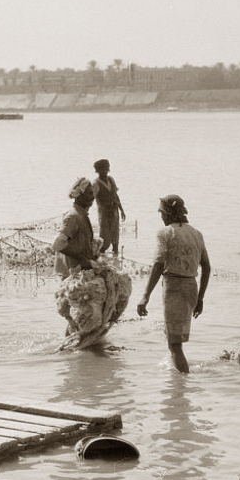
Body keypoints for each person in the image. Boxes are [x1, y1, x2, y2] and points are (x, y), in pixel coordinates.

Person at [136, 195, 211, 373]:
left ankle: (181, 389)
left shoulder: (165, 233)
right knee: (175, 340)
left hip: (174, 287)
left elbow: (158, 264)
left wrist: (145, 297)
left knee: (175, 345)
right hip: (191, 286)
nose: (161, 217)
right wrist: (200, 298)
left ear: (167, 214)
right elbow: (207, 267)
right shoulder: (196, 233)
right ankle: (177, 381)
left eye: (161, 213)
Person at [53, 177, 97, 279]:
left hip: (80, 272)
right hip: (72, 275)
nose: (93, 197)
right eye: (90, 193)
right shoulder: (73, 217)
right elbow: (57, 244)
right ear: (79, 195)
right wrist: (81, 258)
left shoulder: (82, 215)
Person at [91, 159, 126, 255]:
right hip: (104, 213)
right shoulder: (95, 184)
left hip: (114, 211)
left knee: (115, 236)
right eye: (102, 170)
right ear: (98, 171)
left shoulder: (111, 179)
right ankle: (99, 255)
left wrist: (121, 209)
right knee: (104, 238)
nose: (105, 171)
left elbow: (115, 195)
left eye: (106, 169)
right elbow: (90, 198)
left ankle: (116, 254)